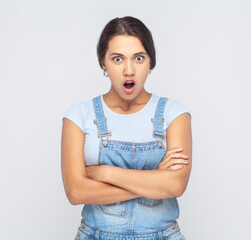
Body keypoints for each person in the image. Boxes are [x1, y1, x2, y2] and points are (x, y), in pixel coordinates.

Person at [61, 16, 192, 240]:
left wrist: (105, 173)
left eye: (138, 58)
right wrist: (155, 180)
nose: (129, 70)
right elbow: (76, 192)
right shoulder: (79, 116)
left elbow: (176, 185)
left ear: (151, 61)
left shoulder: (174, 114)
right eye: (118, 59)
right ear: (103, 62)